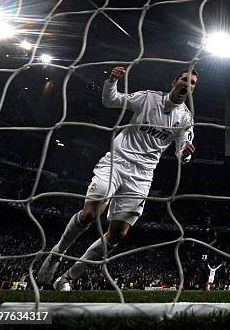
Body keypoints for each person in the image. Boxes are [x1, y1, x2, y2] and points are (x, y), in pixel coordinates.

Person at [37, 67, 198, 290]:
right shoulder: (148, 98)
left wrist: (186, 155)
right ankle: (57, 253)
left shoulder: (186, 119)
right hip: (116, 162)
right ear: (174, 81)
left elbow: (181, 153)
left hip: (142, 176)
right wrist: (112, 80)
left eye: (192, 83)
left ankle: (67, 278)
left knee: (117, 234)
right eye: (184, 80)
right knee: (90, 215)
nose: (187, 85)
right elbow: (111, 100)